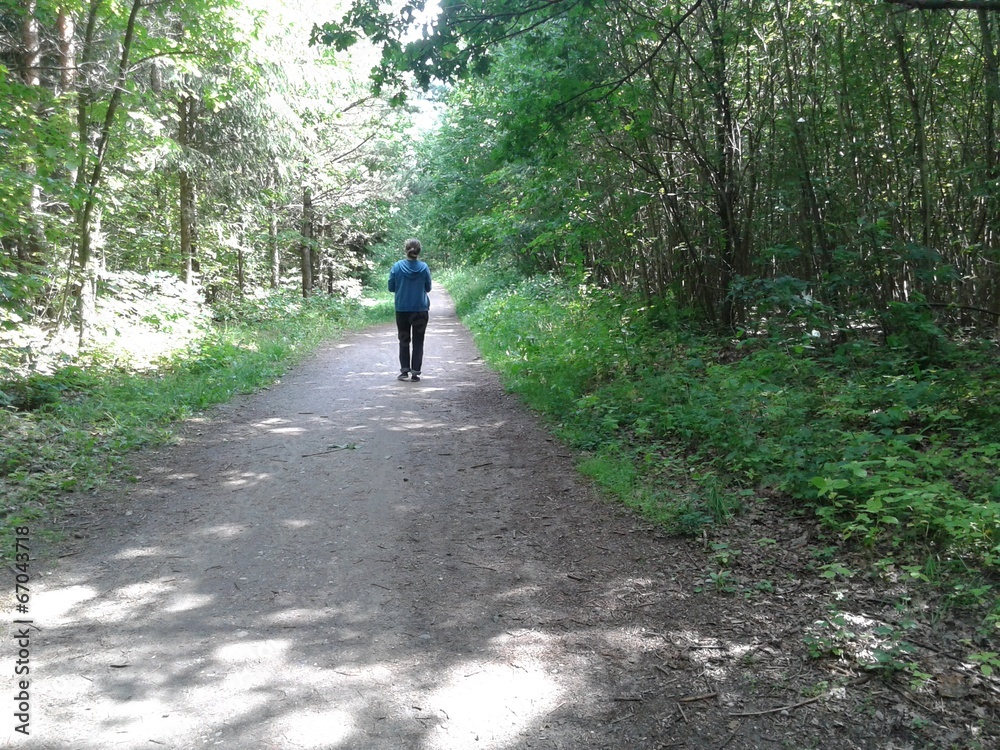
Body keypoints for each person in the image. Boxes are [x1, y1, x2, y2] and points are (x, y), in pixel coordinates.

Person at [388, 238, 432, 382]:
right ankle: (415, 372)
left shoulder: (397, 267)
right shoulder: (424, 267)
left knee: (404, 339)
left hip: (402, 309)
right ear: (419, 251)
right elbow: (428, 288)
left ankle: (404, 371)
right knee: (418, 341)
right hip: (420, 309)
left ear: (405, 250)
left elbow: (391, 287)